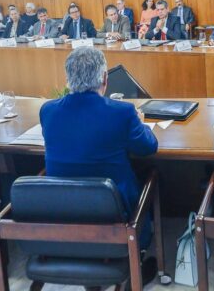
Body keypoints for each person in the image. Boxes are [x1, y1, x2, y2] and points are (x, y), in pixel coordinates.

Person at [40, 47, 159, 278]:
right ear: (105, 78)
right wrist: (140, 123)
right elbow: (148, 147)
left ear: (67, 78)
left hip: (60, 207)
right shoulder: (122, 112)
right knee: (150, 175)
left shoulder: (48, 110)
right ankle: (139, 248)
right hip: (113, 210)